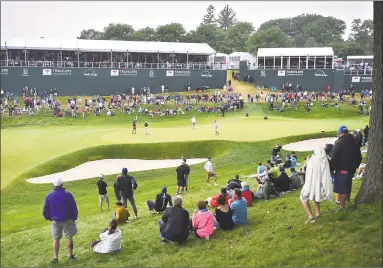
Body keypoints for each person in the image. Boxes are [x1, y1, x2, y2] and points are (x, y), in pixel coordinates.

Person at [43, 178, 78, 263]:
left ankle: (55, 258)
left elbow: (46, 209)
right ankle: (70, 255)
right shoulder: (68, 194)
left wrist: (49, 218)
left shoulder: (49, 195)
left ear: (54, 185)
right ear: (62, 184)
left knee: (56, 239)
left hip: (55, 221)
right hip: (68, 219)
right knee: (69, 237)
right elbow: (74, 207)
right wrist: (74, 217)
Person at [330, 126, 362, 209]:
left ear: (339, 133)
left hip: (341, 168)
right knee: (347, 186)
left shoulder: (339, 143)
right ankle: (348, 203)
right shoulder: (354, 141)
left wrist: (331, 169)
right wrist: (355, 166)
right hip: (351, 169)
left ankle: (342, 207)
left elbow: (334, 157)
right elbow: (359, 156)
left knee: (342, 189)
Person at [300, 147, 333, 224]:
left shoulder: (312, 160)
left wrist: (307, 162)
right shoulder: (325, 160)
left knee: (303, 198)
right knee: (316, 197)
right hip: (319, 183)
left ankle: (311, 216)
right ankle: (318, 214)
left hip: (310, 183)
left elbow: (305, 172)